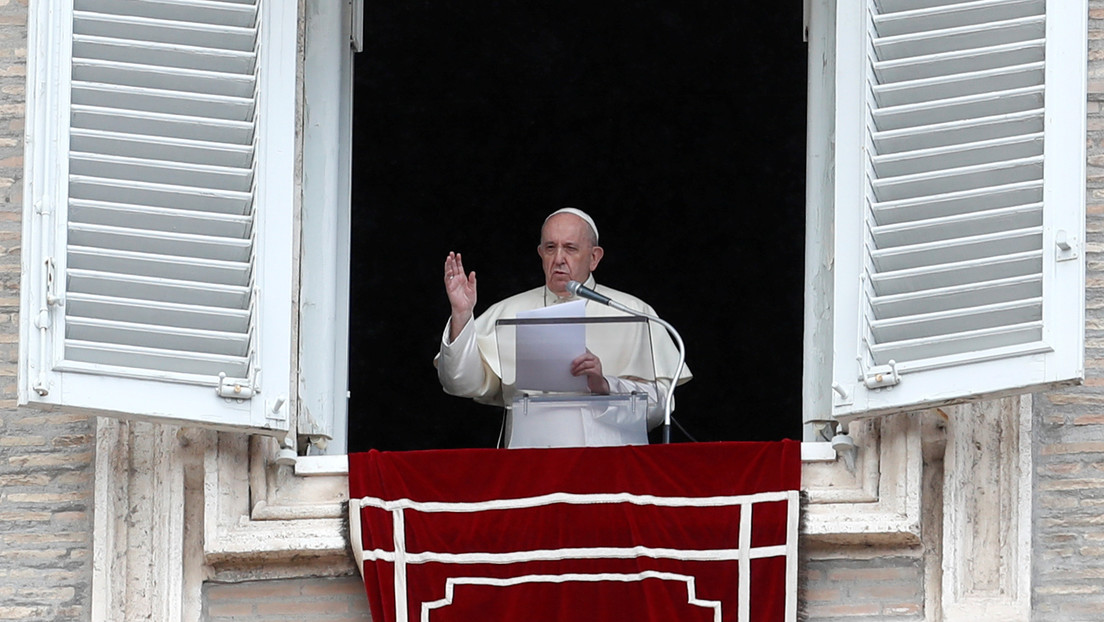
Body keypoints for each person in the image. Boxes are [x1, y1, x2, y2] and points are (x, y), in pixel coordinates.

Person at [435, 207, 691, 445]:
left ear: (594, 257)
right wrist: (462, 315)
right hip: (530, 461)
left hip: (610, 462)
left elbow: (660, 406)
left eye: (570, 248)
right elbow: (460, 383)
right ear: (541, 253)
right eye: (550, 247)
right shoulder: (507, 312)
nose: (559, 259)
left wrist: (605, 386)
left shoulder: (633, 312)